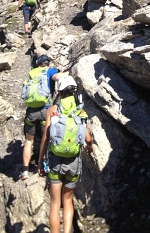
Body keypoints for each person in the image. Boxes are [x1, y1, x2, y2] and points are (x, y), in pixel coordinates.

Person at [38, 76, 93, 233]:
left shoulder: (53, 111)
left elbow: (45, 137)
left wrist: (41, 161)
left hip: (55, 160)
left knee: (55, 203)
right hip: (74, 162)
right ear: (75, 92)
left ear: (59, 92)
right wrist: (89, 147)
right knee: (67, 200)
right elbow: (87, 138)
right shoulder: (80, 111)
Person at [20, 55, 67, 181]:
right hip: (45, 110)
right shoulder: (50, 70)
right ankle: (44, 167)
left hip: (31, 111)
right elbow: (57, 77)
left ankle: (24, 171)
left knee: (29, 141)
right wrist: (67, 73)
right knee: (46, 139)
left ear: (38, 64)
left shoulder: (32, 73)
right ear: (47, 63)